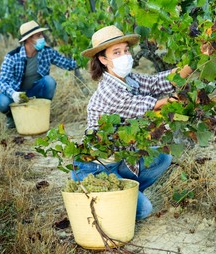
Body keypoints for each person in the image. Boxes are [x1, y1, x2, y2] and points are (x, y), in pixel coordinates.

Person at [72, 25, 192, 220]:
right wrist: (180, 102)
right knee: (143, 210)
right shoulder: (108, 92)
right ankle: (112, 203)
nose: (124, 56)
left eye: (126, 50)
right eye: (116, 52)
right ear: (103, 59)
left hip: (117, 161)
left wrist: (194, 64)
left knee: (162, 158)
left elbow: (157, 82)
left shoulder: (129, 79)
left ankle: (125, 196)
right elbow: (152, 106)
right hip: (93, 169)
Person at [0, 20, 77, 128]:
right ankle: (13, 116)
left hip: (35, 92)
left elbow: (68, 64)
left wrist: (86, 60)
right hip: (18, 95)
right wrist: (13, 94)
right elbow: (1, 82)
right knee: (2, 102)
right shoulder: (12, 57)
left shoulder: (47, 52)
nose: (42, 37)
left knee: (49, 81)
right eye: (38, 35)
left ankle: (41, 112)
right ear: (29, 39)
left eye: (41, 34)